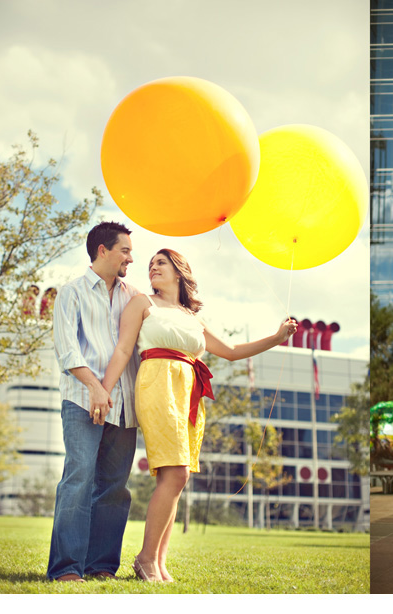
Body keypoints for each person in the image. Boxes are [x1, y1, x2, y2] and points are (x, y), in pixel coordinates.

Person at [101, 248, 297, 582]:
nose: (153, 268)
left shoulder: (192, 317)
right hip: (157, 385)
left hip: (189, 394)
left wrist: (277, 338)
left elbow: (232, 353)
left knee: (177, 477)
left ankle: (158, 563)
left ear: (179, 272)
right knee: (176, 474)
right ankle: (145, 559)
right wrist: (104, 390)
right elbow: (122, 348)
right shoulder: (142, 303)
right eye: (151, 265)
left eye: (160, 263)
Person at [47, 221, 141, 582]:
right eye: (125, 251)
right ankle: (66, 569)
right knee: (79, 479)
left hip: (123, 405)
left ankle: (101, 566)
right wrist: (95, 387)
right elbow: (67, 349)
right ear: (103, 250)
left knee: (115, 487)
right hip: (81, 401)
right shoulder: (71, 293)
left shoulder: (133, 296)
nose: (130, 258)